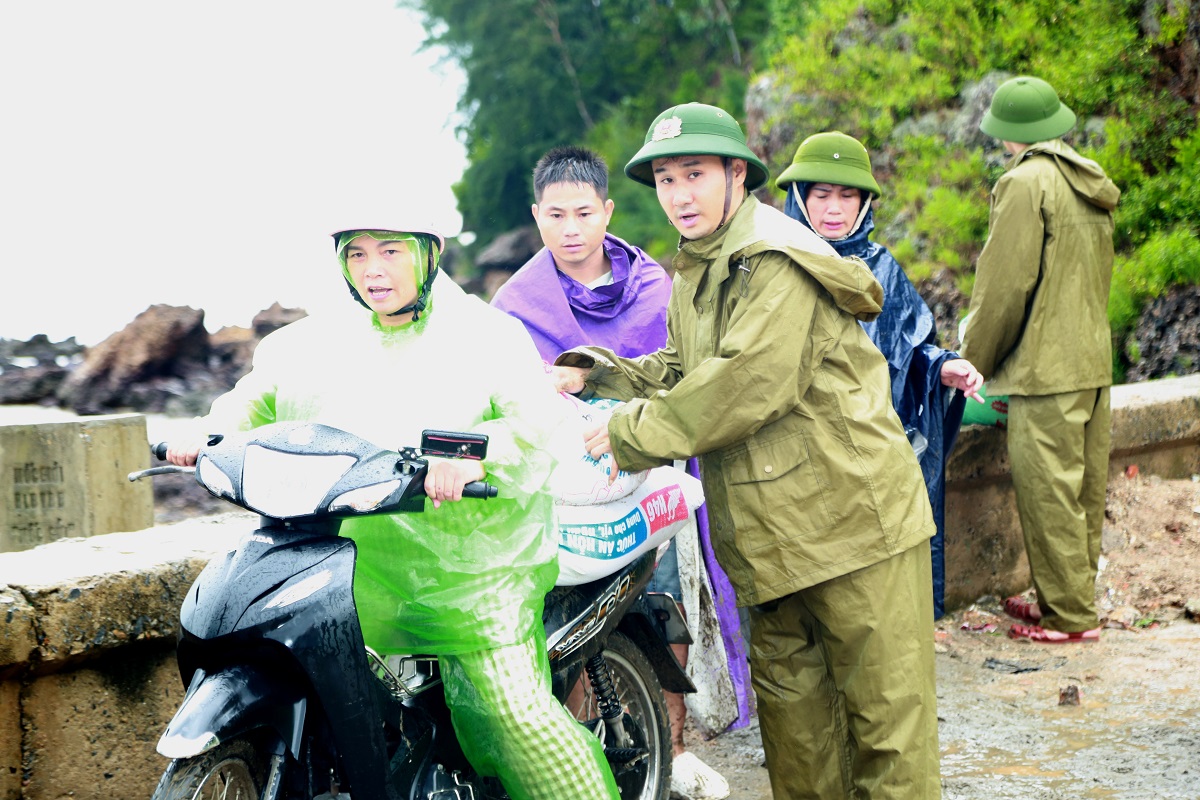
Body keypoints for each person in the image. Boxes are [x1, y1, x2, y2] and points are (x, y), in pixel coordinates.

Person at [551, 102, 942, 799]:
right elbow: (682, 368)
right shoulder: (698, 268)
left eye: (694, 174)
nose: (679, 195)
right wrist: (596, 372)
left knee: (888, 738)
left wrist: (629, 434)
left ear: (738, 174)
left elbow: (746, 383)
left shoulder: (774, 258)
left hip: (855, 527)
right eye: (665, 180)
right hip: (771, 542)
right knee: (799, 747)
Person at [167, 224, 620, 800]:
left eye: (390, 251)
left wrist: (472, 456)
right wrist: (206, 430)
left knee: (513, 715)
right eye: (356, 254)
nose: (372, 269)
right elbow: (253, 399)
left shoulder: (487, 335)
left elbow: (537, 424)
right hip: (353, 564)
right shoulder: (313, 341)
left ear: (429, 253)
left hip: (469, 573)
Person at [492, 145, 740, 800]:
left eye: (583, 213)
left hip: (646, 472)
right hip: (567, 488)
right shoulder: (515, 304)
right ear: (536, 217)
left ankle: (674, 747)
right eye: (555, 216)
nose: (571, 229)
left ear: (607, 211)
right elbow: (506, 397)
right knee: (570, 617)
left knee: (663, 599)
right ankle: (580, 753)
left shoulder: (656, 287)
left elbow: (685, 374)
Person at [775, 131, 984, 619]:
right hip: (800, 454)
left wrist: (941, 366)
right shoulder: (776, 265)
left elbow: (909, 346)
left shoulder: (881, 268)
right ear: (800, 198)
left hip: (871, 451)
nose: (834, 208)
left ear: (864, 202)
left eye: (847, 195)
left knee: (877, 591)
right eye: (821, 195)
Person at [962, 76, 1120, 644]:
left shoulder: (1024, 183)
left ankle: (1070, 619)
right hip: (1092, 362)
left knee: (1049, 494)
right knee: (1082, 493)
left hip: (1046, 370)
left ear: (1006, 133)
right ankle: (1070, 601)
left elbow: (1005, 287)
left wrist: (973, 362)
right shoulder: (1087, 178)